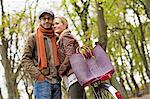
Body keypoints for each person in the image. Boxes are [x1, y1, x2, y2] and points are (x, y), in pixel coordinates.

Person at [21, 8, 61, 99]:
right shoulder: (33, 37)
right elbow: (25, 59)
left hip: (57, 82)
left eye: (49, 18)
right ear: (40, 21)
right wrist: (38, 75)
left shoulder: (57, 38)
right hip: (43, 81)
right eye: (44, 18)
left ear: (52, 20)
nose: (46, 21)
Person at [53, 17, 87, 99]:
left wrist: (60, 71)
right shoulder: (61, 39)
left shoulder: (66, 37)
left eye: (57, 23)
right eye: (53, 24)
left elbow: (70, 56)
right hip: (73, 75)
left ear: (65, 25)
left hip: (74, 75)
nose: (54, 26)